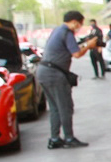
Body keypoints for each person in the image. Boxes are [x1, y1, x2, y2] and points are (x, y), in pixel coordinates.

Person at [36, 10, 96, 149]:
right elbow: (76, 54)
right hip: (54, 74)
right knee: (65, 107)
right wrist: (89, 46)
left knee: (55, 108)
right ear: (74, 22)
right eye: (80, 24)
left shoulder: (57, 30)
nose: (80, 27)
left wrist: (84, 43)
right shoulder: (67, 33)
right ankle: (69, 138)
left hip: (43, 72)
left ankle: (55, 138)